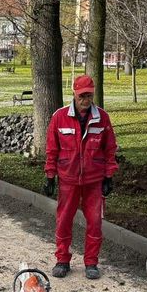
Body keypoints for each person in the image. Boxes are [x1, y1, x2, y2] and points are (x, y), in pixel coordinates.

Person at [43, 74, 118, 280]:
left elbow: (109, 148)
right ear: (74, 95)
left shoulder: (102, 118)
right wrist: (50, 176)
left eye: (89, 96)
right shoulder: (59, 117)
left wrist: (108, 176)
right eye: (82, 96)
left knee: (94, 222)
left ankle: (91, 262)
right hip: (68, 180)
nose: (86, 100)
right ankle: (62, 259)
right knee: (64, 220)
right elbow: (52, 148)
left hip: (94, 181)